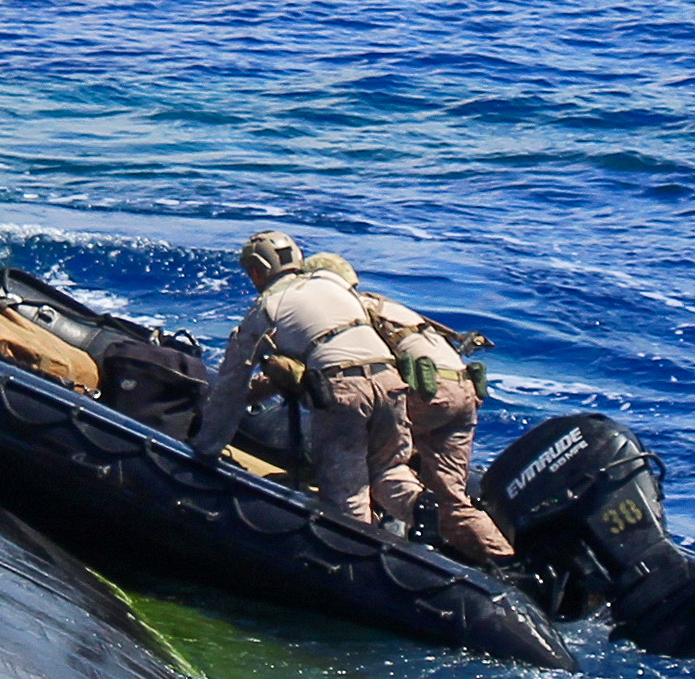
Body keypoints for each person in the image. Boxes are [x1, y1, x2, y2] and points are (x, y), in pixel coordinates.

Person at [188, 230, 418, 528]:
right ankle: (433, 523)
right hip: (390, 380)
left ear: (257, 271)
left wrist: (204, 449)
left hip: (345, 391)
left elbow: (231, 387)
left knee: (345, 494)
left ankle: (352, 555)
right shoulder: (333, 284)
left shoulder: (267, 306)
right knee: (391, 470)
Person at [307, 255, 517, 566]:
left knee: (378, 462)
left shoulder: (349, 310)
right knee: (451, 497)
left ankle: (369, 535)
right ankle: (505, 562)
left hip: (427, 394)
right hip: (464, 391)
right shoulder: (392, 307)